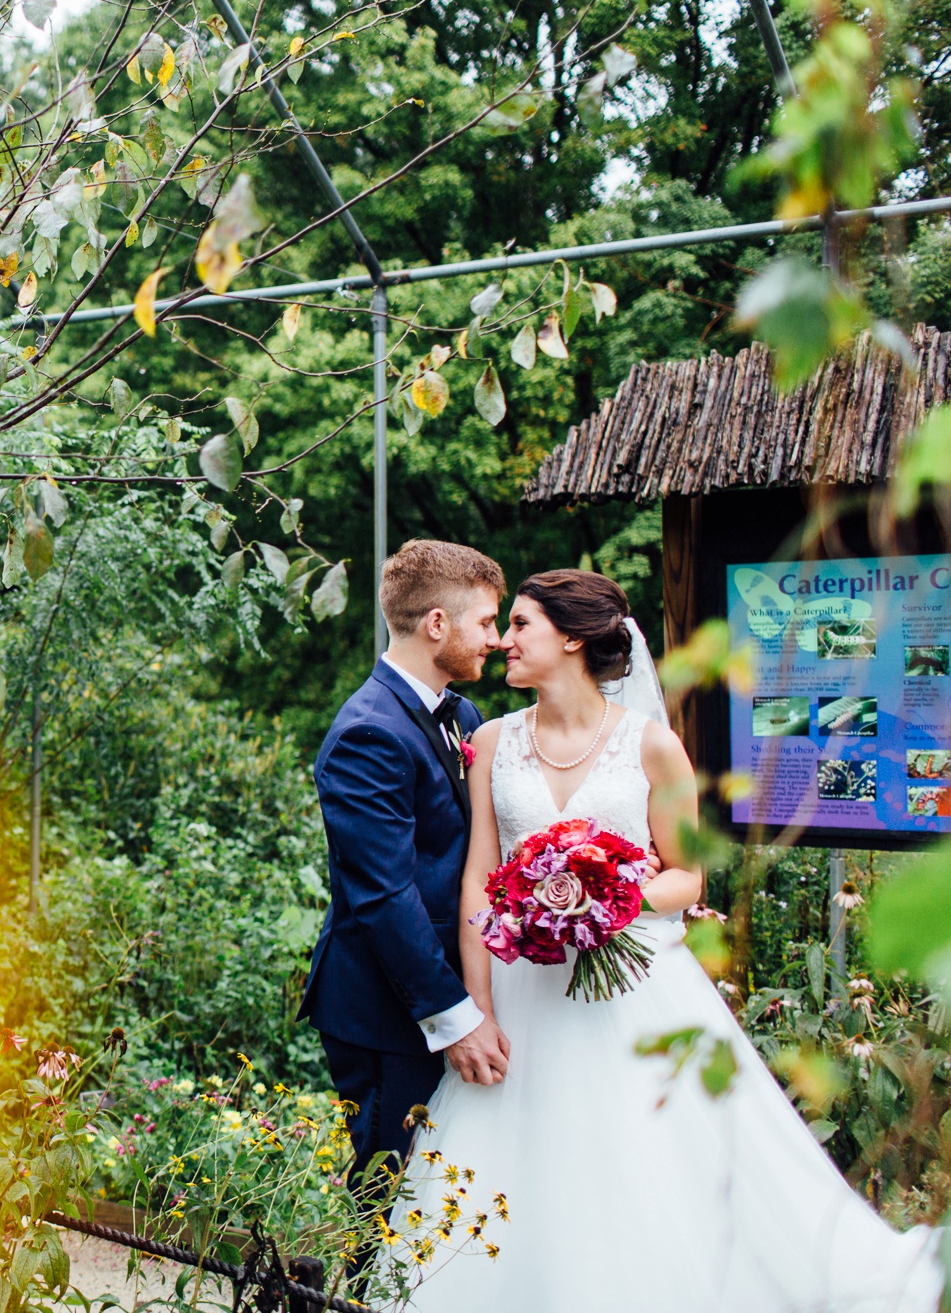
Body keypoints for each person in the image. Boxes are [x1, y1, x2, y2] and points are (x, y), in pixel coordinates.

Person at [393, 569, 943, 1312]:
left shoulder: (653, 746)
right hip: (525, 994)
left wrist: (605, 899)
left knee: (650, 1162)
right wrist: (479, 1007)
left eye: (520, 625)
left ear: (574, 637)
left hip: (635, 988)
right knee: (521, 1171)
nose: (504, 641)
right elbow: (476, 882)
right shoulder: (492, 741)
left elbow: (688, 876)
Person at [303, 540, 514, 1179]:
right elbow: (384, 896)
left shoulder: (461, 713)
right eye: (485, 622)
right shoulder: (369, 733)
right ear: (437, 624)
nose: (497, 639)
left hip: (455, 987)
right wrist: (454, 1019)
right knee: (389, 1200)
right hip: (391, 1015)